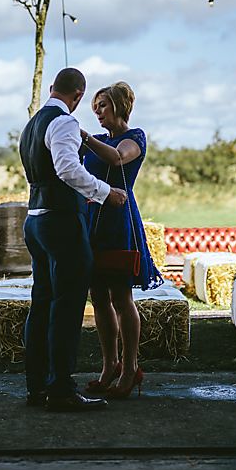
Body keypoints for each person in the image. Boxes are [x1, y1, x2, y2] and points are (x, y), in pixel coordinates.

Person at [19, 68, 128, 412]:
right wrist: (105, 191)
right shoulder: (63, 122)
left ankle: (37, 386)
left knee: (42, 305)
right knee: (67, 309)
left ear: (52, 88)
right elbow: (67, 168)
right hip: (61, 224)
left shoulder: (31, 124)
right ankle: (62, 390)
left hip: (34, 221)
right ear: (78, 96)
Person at [80, 81, 163, 399]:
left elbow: (117, 159)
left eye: (102, 105)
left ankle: (130, 368)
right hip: (93, 223)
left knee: (120, 296)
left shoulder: (135, 138)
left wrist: (84, 138)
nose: (98, 112)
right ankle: (108, 365)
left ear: (118, 106)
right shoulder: (97, 140)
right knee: (98, 297)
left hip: (118, 221)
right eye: (95, 107)